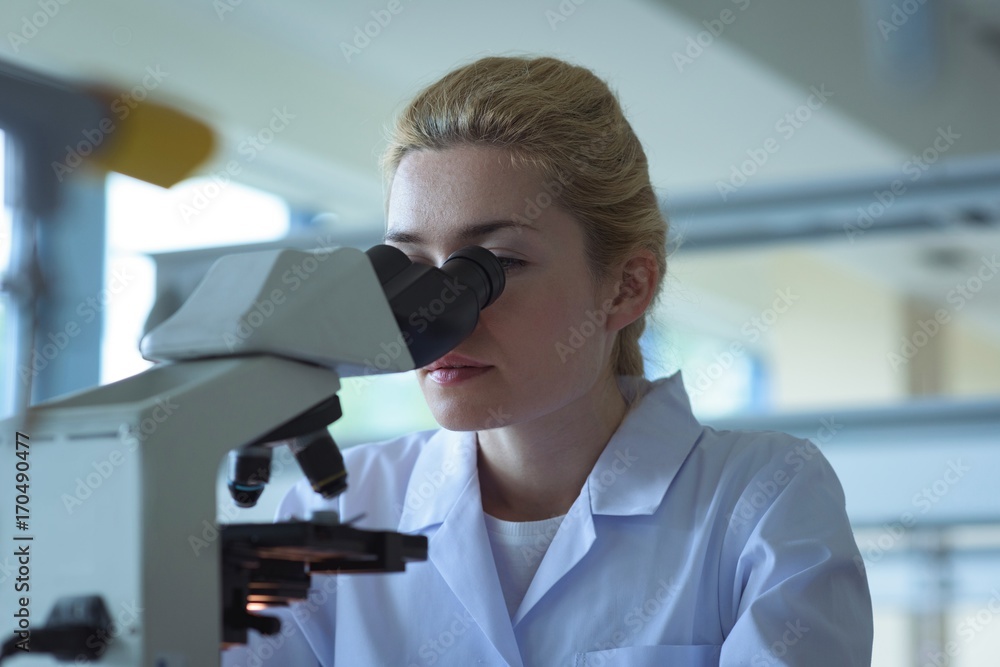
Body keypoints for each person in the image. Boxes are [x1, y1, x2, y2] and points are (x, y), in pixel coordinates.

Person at [227, 54, 873, 666]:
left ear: (625, 287)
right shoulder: (336, 513)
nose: (436, 311)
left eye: (493, 265)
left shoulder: (760, 497)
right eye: (411, 268)